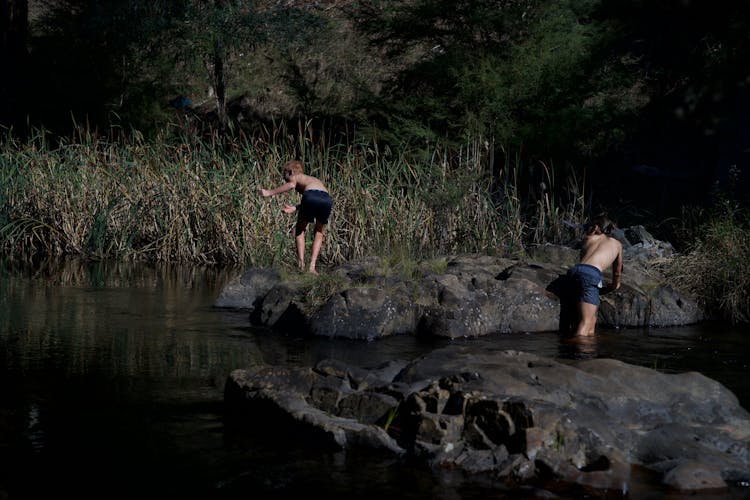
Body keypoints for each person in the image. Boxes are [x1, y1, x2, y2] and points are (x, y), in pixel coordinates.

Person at [258, 159, 333, 274]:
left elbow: (293, 185)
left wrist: (269, 192)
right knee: (319, 231)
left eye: (286, 176)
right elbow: (316, 196)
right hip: (327, 199)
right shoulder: (313, 180)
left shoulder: (295, 177)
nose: (285, 179)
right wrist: (295, 208)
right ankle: (312, 267)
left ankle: (301, 265)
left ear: (291, 172)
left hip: (312, 196)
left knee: (300, 229)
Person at [566, 214, 623, 336]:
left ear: (595, 228)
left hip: (574, 271)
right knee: (586, 322)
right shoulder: (617, 245)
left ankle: (588, 350)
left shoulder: (588, 238)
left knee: (592, 320)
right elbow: (617, 271)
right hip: (591, 274)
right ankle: (577, 350)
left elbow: (584, 260)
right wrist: (615, 284)